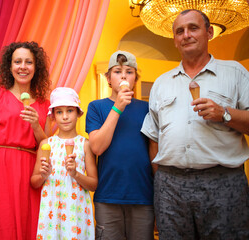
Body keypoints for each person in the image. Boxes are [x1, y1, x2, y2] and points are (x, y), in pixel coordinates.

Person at [141, 9, 249, 239]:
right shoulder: (161, 83)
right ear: (175, 40)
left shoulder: (235, 73)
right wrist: (161, 185)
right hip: (170, 186)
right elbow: (154, 138)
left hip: (223, 182)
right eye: (180, 31)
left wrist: (224, 113)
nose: (186, 35)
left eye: (193, 28)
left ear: (209, 32)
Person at [0, 41, 52, 239]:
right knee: (1, 225)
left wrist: (36, 126)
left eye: (28, 62)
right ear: (10, 66)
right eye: (18, 61)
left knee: (29, 226)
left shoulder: (45, 104)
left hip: (30, 172)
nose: (23, 66)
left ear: (36, 67)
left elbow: (46, 145)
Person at [86, 51, 154, 240]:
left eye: (129, 71)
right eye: (117, 71)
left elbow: (154, 151)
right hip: (108, 196)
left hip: (142, 195)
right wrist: (117, 108)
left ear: (135, 78)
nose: (123, 75)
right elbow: (97, 148)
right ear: (108, 78)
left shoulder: (146, 109)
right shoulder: (96, 107)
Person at [31, 87, 97, 239]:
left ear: (78, 113)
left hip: (77, 214)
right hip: (52, 214)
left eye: (70, 111)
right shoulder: (46, 144)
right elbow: (34, 182)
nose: (65, 117)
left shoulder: (85, 144)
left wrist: (75, 174)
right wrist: (43, 175)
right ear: (53, 116)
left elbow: (93, 184)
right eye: (59, 112)